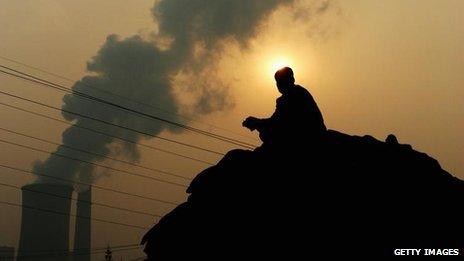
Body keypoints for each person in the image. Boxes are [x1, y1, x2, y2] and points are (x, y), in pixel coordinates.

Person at [242, 67, 326, 147]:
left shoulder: (295, 94)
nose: (279, 84)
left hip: (306, 136)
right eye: (278, 82)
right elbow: (275, 121)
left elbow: (277, 122)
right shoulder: (293, 95)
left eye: (282, 81)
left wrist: (257, 123)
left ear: (292, 80)